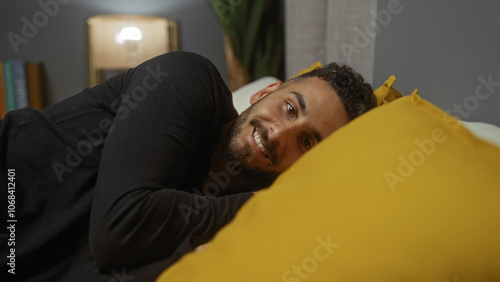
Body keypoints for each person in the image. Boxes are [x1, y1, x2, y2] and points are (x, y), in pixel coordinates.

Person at [0, 51, 375, 281]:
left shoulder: (237, 226)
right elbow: (121, 226)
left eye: (307, 142)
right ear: (264, 93)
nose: (280, 134)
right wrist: (273, 201)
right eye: (290, 108)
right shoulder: (188, 79)